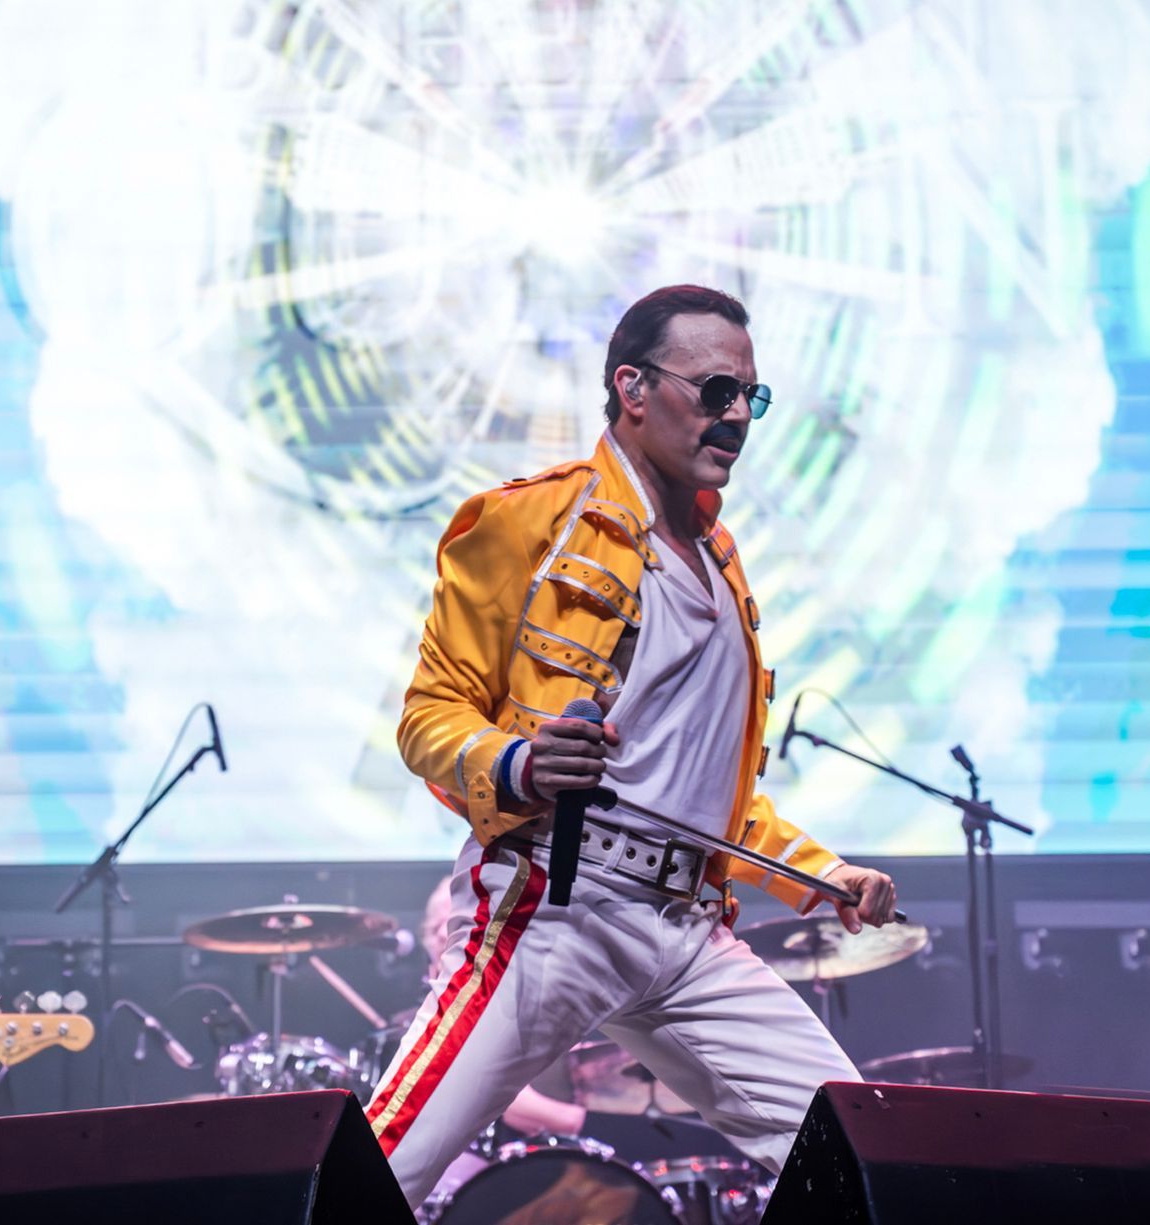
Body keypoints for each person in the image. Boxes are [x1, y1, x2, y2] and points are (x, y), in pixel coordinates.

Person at [365, 285, 899, 1206]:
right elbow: (430, 714)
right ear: (634, 388)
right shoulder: (528, 522)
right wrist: (520, 764)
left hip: (687, 929)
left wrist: (821, 872)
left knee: (858, 1155)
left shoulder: (720, 559)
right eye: (716, 389)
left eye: (751, 398)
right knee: (371, 1177)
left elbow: (701, 794)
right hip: (555, 905)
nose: (736, 415)